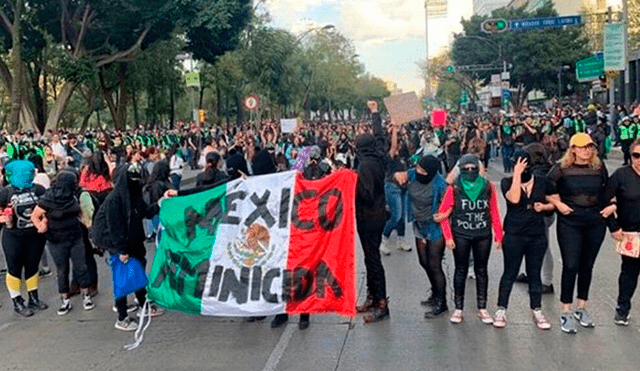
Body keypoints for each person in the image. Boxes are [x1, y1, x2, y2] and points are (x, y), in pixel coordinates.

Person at [546, 133, 610, 334]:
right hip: (570, 222)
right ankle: (566, 310)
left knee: (587, 266)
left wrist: (612, 206)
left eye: (589, 147)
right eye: (582, 147)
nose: (586, 150)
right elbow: (546, 189)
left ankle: (581, 307)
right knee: (571, 265)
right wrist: (558, 204)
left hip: (595, 222)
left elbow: (608, 191)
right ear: (572, 149)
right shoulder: (560, 169)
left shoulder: (598, 167)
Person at [91, 164, 166, 331]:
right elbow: (115, 227)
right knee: (123, 277)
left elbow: (144, 212)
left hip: (132, 239)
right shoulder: (115, 200)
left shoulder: (134, 194)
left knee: (138, 270)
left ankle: (143, 304)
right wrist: (122, 250)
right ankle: (122, 316)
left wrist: (159, 203)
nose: (137, 182)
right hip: (118, 242)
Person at [492, 150, 554, 330]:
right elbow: (514, 199)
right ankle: (501, 310)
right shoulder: (506, 182)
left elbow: (554, 202)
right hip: (514, 234)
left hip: (536, 235)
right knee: (509, 273)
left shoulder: (543, 182)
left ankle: (537, 309)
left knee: (534, 274)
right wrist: (517, 175)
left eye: (525, 165)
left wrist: (545, 206)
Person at [438, 154, 503, 324]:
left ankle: (482, 308)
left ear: (478, 169)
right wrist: (448, 237)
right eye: (465, 168)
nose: (469, 171)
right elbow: (443, 213)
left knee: (482, 270)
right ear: (460, 169)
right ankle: (459, 308)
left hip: (483, 234)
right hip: (461, 234)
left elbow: (493, 210)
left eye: (473, 168)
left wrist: (499, 234)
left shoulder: (488, 186)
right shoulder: (454, 188)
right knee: (461, 270)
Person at [31, 170, 95, 315]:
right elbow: (35, 216)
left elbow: (79, 212)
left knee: (81, 267)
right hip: (56, 240)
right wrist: (41, 225)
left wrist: (88, 224)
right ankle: (65, 300)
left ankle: (86, 296)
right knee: (62, 270)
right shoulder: (47, 199)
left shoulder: (72, 197)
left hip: (75, 236)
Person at [396, 155, 448, 318]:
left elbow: (450, 203)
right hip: (419, 223)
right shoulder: (412, 174)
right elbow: (398, 175)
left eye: (423, 170)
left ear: (431, 172)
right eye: (418, 168)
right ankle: (434, 293)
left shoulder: (439, 183)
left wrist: (445, 214)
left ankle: (442, 302)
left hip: (434, 226)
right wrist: (398, 175)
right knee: (423, 261)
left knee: (434, 264)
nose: (418, 171)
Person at [354, 100, 389, 323]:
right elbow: (380, 138)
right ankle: (371, 296)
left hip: (369, 217)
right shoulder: (378, 156)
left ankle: (381, 304)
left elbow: (365, 194)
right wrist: (375, 114)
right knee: (369, 258)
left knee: (373, 260)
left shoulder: (365, 165)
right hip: (378, 215)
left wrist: (352, 186)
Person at [0, 160, 48, 316]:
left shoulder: (39, 189)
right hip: (13, 236)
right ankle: (17, 301)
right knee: (14, 269)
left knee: (32, 266)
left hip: (35, 236)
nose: (31, 175)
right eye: (27, 172)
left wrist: (44, 222)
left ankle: (33, 297)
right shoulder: (5, 192)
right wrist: (4, 219)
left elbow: (47, 208)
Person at [604, 140, 640, 326]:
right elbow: (605, 201)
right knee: (629, 273)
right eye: (636, 155)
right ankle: (622, 309)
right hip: (630, 234)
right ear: (631, 155)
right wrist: (614, 227)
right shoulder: (621, 175)